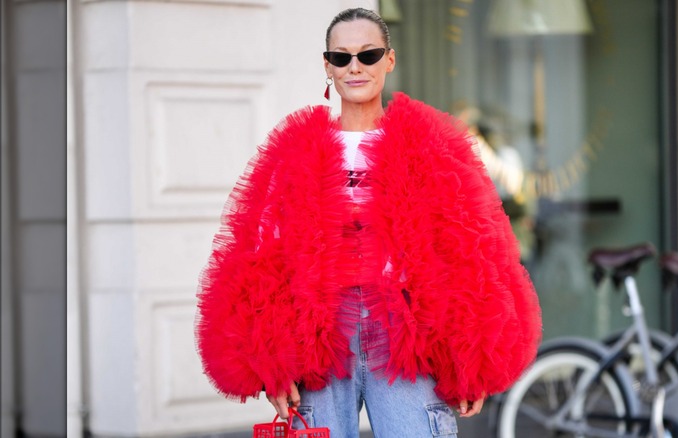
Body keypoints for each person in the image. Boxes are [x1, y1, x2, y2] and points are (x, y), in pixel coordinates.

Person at [195, 8, 541, 438]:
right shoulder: (297, 152)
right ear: (327, 66)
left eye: (368, 54)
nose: (354, 67)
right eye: (341, 57)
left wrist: (468, 363)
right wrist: (272, 362)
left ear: (389, 60)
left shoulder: (428, 145)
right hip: (320, 338)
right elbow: (266, 255)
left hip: (404, 334)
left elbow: (468, 246)